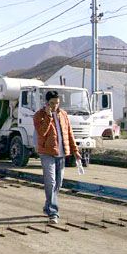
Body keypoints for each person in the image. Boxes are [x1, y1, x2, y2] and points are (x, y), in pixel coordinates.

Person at [32, 90, 80, 224]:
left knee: (58, 183)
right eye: (52, 103)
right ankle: (53, 212)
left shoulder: (63, 114)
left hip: (61, 153)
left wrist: (75, 150)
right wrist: (48, 116)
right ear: (46, 103)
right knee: (51, 182)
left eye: (57, 103)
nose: (55, 106)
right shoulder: (39, 115)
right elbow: (42, 132)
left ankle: (48, 206)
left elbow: (69, 133)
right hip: (47, 153)